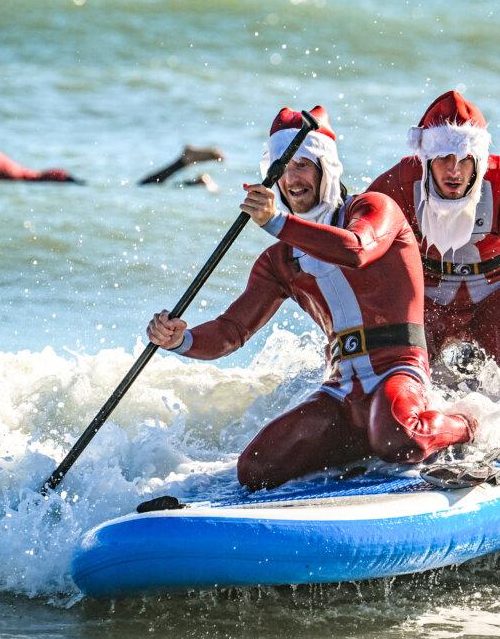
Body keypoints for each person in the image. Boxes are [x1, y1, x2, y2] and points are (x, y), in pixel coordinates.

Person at [146, 105, 474, 491]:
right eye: (283, 168)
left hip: (399, 370)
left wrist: (275, 222)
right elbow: (232, 331)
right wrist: (179, 339)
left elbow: (356, 249)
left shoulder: (374, 209)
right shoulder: (280, 259)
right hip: (341, 389)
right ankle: (365, 443)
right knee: (256, 469)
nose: (291, 178)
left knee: (399, 438)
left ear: (327, 170)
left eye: (303, 165)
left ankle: (467, 422)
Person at [367, 90, 500, 386]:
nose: (454, 170)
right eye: (443, 157)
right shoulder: (398, 185)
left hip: (497, 293)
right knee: (400, 383)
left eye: (465, 159)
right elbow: (352, 262)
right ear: (425, 159)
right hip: (424, 296)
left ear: (480, 160)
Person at [0, 112, 223, 188]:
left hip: (53, 183)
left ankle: (183, 163)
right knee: (136, 189)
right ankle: (190, 179)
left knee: (136, 189)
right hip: (53, 179)